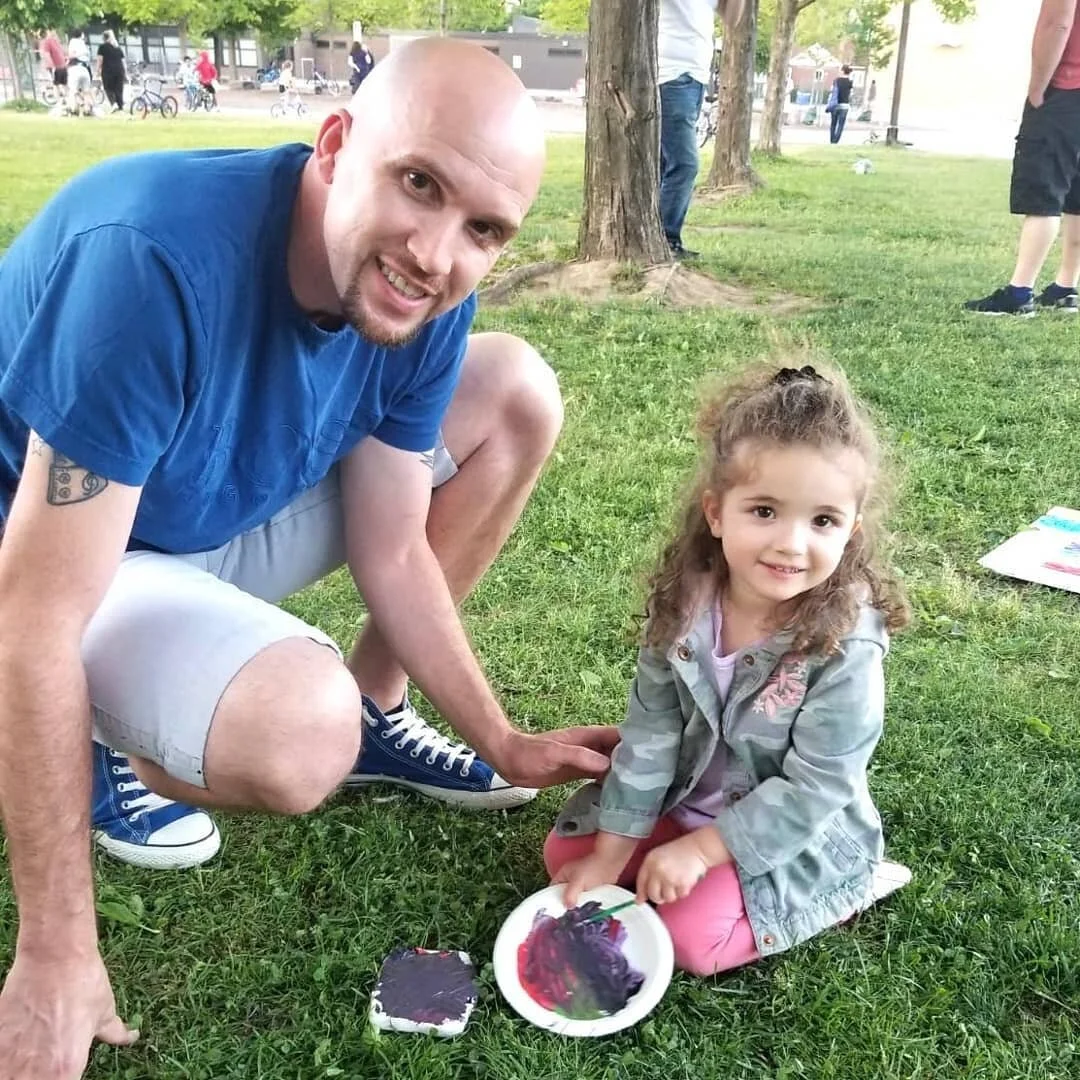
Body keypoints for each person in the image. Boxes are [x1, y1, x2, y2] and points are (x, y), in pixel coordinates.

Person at [0, 38, 618, 1077]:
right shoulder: (147, 256)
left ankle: (380, 719)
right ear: (337, 145)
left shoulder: (428, 297)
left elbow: (394, 544)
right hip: (50, 556)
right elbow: (33, 620)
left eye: (483, 229)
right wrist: (56, 951)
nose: (435, 252)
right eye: (418, 184)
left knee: (512, 390)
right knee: (295, 732)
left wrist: (502, 737)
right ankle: (104, 747)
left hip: (196, 514)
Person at [545, 363, 912, 977]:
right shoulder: (685, 606)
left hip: (788, 831)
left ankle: (845, 888)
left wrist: (702, 850)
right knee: (568, 855)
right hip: (689, 796)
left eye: (823, 520)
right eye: (764, 510)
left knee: (690, 940)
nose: (792, 543)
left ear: (851, 531)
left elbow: (816, 789)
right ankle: (658, 857)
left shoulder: (846, 646)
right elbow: (651, 734)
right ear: (716, 513)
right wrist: (613, 853)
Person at [965, 0, 1080, 315]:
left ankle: (1019, 293)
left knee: (1044, 189)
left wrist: (1038, 87)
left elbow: (1057, 23)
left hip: (1067, 90)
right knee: (1076, 195)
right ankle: (1065, 288)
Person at [657, 0, 744, 259]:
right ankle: (666, 239)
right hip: (670, 74)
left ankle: (657, 236)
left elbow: (732, 19)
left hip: (696, 77)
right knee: (684, 164)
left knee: (667, 163)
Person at [96, 29, 126, 113]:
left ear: (104, 38)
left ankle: (113, 103)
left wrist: (98, 70)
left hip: (108, 70)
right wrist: (125, 72)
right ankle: (120, 107)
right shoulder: (118, 48)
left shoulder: (102, 47)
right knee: (118, 89)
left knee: (108, 88)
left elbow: (100, 60)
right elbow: (123, 61)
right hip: (119, 70)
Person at [65, 29, 93, 114]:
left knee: (73, 90)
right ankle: (87, 109)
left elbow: (71, 55)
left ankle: (74, 108)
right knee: (86, 91)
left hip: (75, 68)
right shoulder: (83, 44)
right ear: (81, 35)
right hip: (85, 69)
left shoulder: (72, 42)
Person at [39, 29, 68, 103]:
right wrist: (52, 66)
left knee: (64, 84)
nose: (54, 33)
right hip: (55, 67)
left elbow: (62, 53)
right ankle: (59, 102)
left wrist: (65, 61)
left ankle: (66, 100)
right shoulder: (47, 42)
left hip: (62, 66)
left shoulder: (56, 42)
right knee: (56, 84)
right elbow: (47, 55)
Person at [828, 64, 853, 144]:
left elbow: (831, 91)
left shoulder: (836, 80)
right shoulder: (850, 82)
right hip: (845, 105)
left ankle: (832, 140)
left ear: (842, 71)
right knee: (840, 125)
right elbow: (851, 94)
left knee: (833, 124)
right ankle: (836, 141)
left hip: (835, 104)